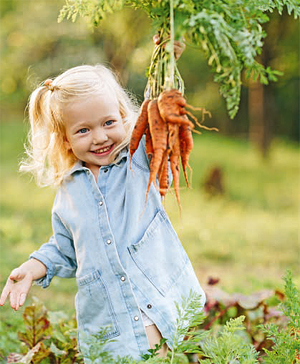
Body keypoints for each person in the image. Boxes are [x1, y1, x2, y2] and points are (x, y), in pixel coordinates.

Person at [0, 64, 205, 360]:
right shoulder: (69, 191)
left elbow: (166, 118)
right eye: (83, 130)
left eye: (108, 122)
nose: (99, 137)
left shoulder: (139, 160)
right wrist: (34, 267)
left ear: (124, 117)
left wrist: (170, 58)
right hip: (110, 319)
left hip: (156, 298)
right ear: (65, 140)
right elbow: (65, 248)